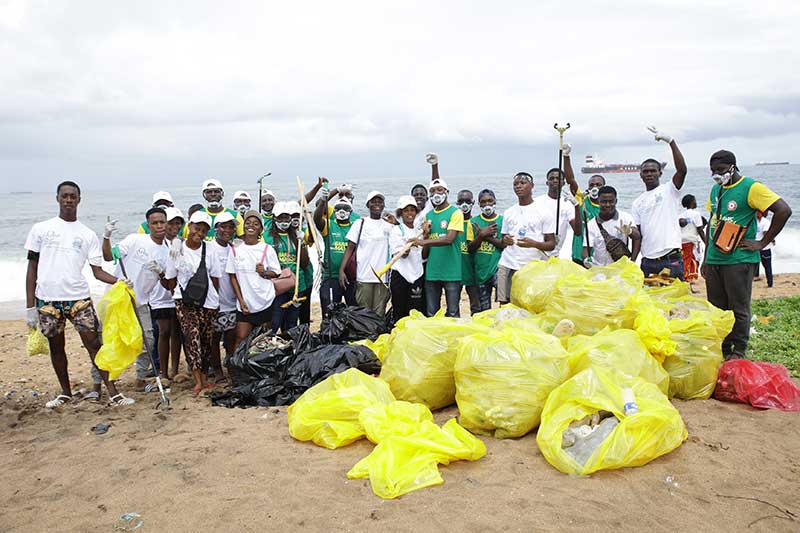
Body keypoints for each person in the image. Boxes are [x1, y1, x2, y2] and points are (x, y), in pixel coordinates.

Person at [25, 181, 134, 408]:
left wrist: (119, 281)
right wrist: (29, 307)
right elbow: (32, 268)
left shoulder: (87, 234)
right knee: (57, 347)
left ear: (79, 200)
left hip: (79, 298)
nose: (68, 200)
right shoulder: (41, 229)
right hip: (47, 299)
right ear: (57, 198)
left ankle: (113, 393)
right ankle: (65, 393)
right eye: (64, 196)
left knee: (94, 344)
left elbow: (97, 271)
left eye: (72, 196)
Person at [702, 149, 792, 359]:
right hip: (715, 258)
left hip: (739, 259)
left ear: (733, 167)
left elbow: (783, 210)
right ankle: (723, 348)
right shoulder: (716, 189)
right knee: (717, 308)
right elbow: (711, 224)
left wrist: (762, 242)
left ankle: (739, 350)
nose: (717, 174)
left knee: (738, 307)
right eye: (713, 171)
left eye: (721, 170)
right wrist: (706, 257)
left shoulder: (751, 187)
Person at [102, 207, 170, 391]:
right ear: (148, 225)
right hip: (118, 297)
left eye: (162, 222)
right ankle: (101, 382)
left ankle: (140, 378)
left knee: (148, 339)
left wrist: (161, 273)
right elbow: (108, 256)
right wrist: (106, 236)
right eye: (154, 223)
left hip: (141, 301)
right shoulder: (135, 240)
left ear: (167, 223)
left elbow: (169, 285)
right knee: (109, 339)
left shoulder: (168, 250)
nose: (159, 226)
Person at [163, 211, 222, 396]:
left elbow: (215, 277)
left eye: (204, 230)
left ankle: (204, 378)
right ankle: (198, 382)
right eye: (197, 228)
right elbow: (170, 277)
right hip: (185, 302)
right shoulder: (177, 248)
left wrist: (214, 300)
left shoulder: (210, 248)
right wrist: (178, 297)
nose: (200, 233)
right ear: (189, 226)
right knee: (191, 339)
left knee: (206, 341)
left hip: (208, 302)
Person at [631, 126, 688, 278]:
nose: (649, 174)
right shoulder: (637, 202)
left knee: (674, 300)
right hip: (648, 260)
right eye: (645, 171)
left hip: (670, 257)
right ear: (641, 175)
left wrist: (670, 141)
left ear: (660, 173)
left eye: (653, 171)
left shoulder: (669, 189)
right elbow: (638, 234)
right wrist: (628, 233)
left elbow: (682, 170)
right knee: (650, 301)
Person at [497, 172, 556, 304]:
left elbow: (551, 244)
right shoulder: (509, 212)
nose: (518, 186)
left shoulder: (543, 212)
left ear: (532, 186)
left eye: (523, 183)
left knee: (528, 303)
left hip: (532, 266)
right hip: (508, 263)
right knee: (505, 302)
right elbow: (502, 241)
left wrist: (534, 244)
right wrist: (505, 240)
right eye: (515, 184)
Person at [228, 210, 282, 347]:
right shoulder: (235, 249)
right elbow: (233, 277)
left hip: (264, 301)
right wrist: (241, 301)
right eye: (248, 222)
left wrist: (264, 272)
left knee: (263, 339)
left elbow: (276, 273)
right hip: (244, 303)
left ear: (261, 229)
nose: (251, 226)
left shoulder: (267, 249)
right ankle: (238, 367)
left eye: (256, 224)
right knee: (241, 337)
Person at [339, 191, 392, 317]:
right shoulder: (360, 223)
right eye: (373, 202)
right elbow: (350, 248)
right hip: (364, 277)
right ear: (368, 205)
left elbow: (400, 243)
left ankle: (377, 336)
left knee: (379, 313)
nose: (377, 204)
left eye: (380, 202)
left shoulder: (389, 226)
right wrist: (341, 270)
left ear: (384, 205)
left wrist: (396, 223)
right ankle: (366, 336)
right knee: (364, 313)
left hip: (382, 278)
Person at [418, 174, 464, 317]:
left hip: (451, 271)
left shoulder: (455, 213)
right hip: (432, 271)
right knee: (432, 313)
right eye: (432, 191)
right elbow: (425, 254)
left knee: (453, 312)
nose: (436, 194)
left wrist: (423, 241)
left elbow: (449, 239)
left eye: (440, 190)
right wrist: (425, 236)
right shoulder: (428, 216)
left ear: (447, 192)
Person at [314, 195, 359, 315]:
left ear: (351, 211)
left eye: (345, 208)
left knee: (354, 311)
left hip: (351, 278)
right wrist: (323, 200)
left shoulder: (356, 226)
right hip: (331, 277)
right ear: (334, 211)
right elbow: (317, 218)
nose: (342, 211)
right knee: (330, 311)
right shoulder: (329, 225)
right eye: (338, 208)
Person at [207, 212, 239, 384]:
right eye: (223, 226)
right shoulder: (208, 247)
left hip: (232, 302)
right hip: (214, 303)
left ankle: (230, 367)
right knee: (213, 339)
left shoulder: (234, 248)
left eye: (230, 227)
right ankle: (217, 370)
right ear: (216, 229)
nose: (227, 230)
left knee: (230, 337)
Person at [269, 202, 309, 333]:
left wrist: (302, 243)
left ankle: (290, 349)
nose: (284, 221)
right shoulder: (267, 237)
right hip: (278, 286)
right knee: (275, 321)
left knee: (291, 323)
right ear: (274, 219)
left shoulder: (295, 237)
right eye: (281, 218)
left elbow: (304, 263)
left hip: (297, 285)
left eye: (287, 218)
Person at [582, 186, 641, 267]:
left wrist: (633, 261)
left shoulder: (625, 217)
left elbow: (637, 237)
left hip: (621, 268)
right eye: (604, 201)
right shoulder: (591, 225)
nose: (607, 205)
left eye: (611, 201)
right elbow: (586, 248)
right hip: (600, 270)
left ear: (616, 201)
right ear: (598, 201)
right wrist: (586, 260)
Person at [467, 189, 505, 311]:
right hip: (481, 271)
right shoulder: (473, 222)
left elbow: (504, 245)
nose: (487, 204)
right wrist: (480, 235)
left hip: (498, 269)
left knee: (504, 302)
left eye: (490, 201)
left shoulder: (503, 220)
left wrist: (486, 236)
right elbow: (470, 249)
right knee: (484, 309)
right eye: (483, 202)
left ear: (495, 201)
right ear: (479, 204)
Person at [389, 196, 425, 320]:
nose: (410, 213)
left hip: (417, 275)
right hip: (400, 275)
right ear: (401, 213)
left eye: (412, 210)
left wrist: (422, 239)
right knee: (400, 312)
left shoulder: (419, 231)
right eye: (406, 211)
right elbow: (401, 254)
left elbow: (424, 254)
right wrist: (409, 246)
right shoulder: (396, 230)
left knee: (415, 311)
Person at [159, 207, 184, 378]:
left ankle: (175, 370)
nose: (174, 226)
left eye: (178, 223)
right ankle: (163, 372)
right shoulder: (156, 241)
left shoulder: (183, 242)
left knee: (177, 332)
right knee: (163, 331)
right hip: (159, 295)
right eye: (171, 222)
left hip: (177, 293)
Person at [536, 164, 581, 259]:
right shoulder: (537, 202)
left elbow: (577, 231)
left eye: (558, 178)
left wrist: (576, 206)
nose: (555, 180)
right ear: (547, 182)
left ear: (563, 183)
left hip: (555, 254)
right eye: (551, 178)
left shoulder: (568, 204)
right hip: (536, 252)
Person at [456, 189, 480, 315]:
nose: (464, 204)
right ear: (456, 203)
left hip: (473, 273)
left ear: (473, 202)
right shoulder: (453, 224)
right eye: (461, 201)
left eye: (467, 201)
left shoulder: (476, 223)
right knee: (453, 307)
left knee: (476, 308)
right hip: (455, 273)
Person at [679, 194, 706, 283]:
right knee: (692, 260)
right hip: (691, 241)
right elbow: (700, 230)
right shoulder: (696, 214)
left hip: (681, 241)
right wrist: (707, 242)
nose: (696, 202)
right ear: (691, 203)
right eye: (694, 201)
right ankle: (688, 279)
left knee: (685, 259)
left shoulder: (681, 215)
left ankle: (686, 278)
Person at [753, 212, 775, 287]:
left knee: (756, 262)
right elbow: (765, 232)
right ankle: (770, 283)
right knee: (767, 265)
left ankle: (756, 276)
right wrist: (772, 240)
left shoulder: (753, 221)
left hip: (755, 245)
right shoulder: (765, 222)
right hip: (764, 246)